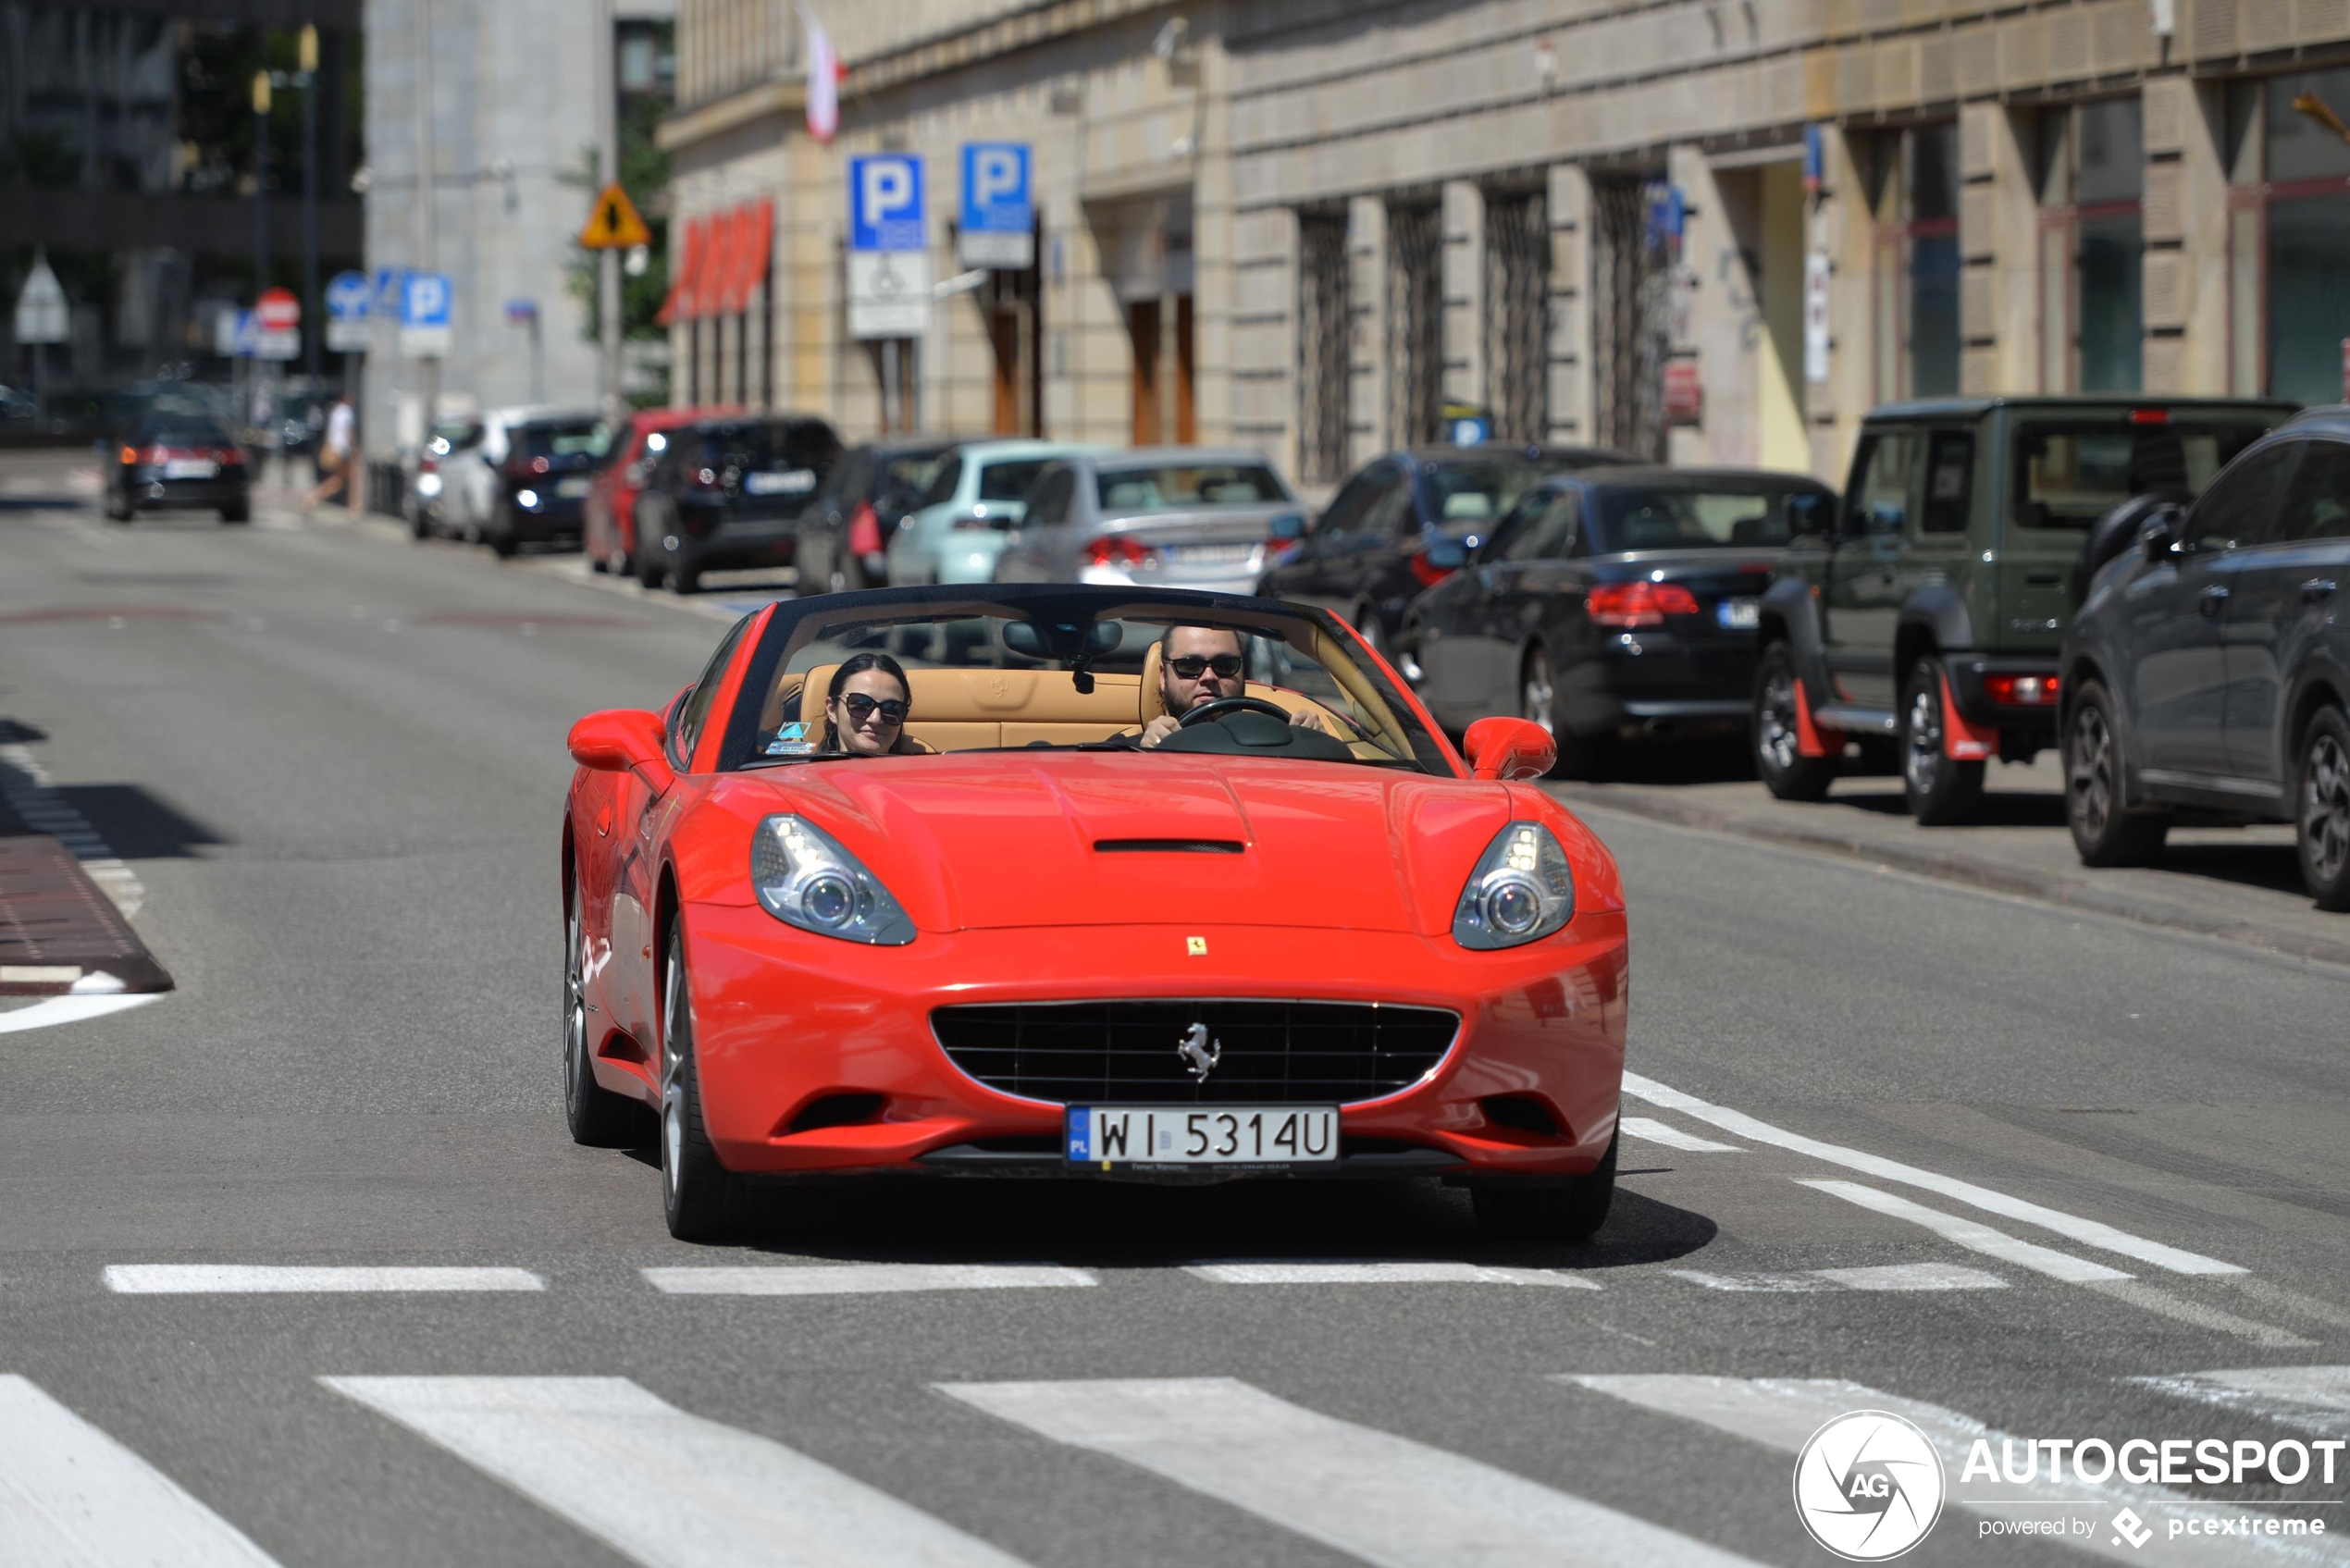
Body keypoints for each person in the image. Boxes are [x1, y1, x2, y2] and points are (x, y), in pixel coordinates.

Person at [1135, 624, 1333, 748]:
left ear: (1242, 670)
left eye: (1225, 665)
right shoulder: (1125, 751)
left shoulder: (1279, 744)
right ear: (1163, 677)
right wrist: (1146, 757)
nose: (1209, 676)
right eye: (1190, 665)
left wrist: (1315, 745)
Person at [817, 652, 926, 757]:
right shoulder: (805, 773)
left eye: (891, 709)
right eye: (861, 705)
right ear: (832, 710)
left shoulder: (922, 775)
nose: (875, 719)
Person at [303, 392, 358, 515]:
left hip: (334, 448)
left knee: (339, 481)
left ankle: (313, 497)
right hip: (343, 450)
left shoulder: (336, 412)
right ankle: (354, 508)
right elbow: (348, 431)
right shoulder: (346, 412)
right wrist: (354, 448)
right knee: (352, 477)